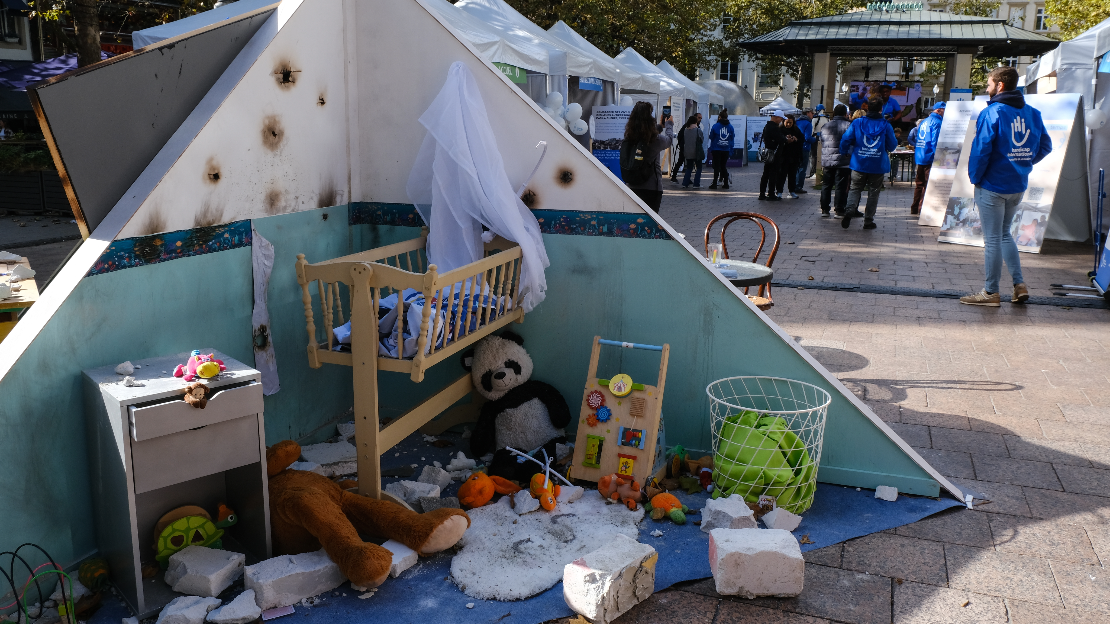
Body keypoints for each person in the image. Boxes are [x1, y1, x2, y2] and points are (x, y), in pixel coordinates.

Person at [960, 66, 1051, 307]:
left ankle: (990, 293)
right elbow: (1045, 147)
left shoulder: (993, 112)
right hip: (1017, 184)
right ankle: (1019, 285)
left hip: (992, 184)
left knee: (992, 240)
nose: (987, 89)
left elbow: (981, 150)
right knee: (1003, 234)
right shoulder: (1033, 112)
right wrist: (1022, 163)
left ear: (1000, 85)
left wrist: (975, 178)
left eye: (989, 84)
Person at [839, 96, 898, 230]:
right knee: (873, 193)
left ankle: (849, 210)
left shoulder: (857, 123)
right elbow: (892, 145)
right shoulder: (886, 125)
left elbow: (845, 139)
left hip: (859, 163)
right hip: (877, 165)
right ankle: (868, 221)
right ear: (880, 109)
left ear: (867, 108)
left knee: (855, 189)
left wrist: (844, 151)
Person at [619, 101, 674, 211]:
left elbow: (645, 132)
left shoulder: (629, 137)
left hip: (631, 185)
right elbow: (669, 140)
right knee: (650, 223)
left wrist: (659, 126)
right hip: (651, 188)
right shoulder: (655, 139)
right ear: (650, 119)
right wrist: (669, 125)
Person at [909, 102, 945, 215]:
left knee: (919, 184)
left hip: (920, 156)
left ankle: (914, 208)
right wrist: (939, 158)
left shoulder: (924, 121)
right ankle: (922, 209)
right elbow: (935, 143)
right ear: (939, 110)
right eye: (944, 110)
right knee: (928, 185)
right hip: (930, 157)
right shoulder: (938, 122)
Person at [817, 104, 852, 217]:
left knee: (826, 184)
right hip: (843, 159)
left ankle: (824, 209)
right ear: (845, 113)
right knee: (841, 186)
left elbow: (821, 140)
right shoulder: (849, 125)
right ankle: (839, 209)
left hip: (828, 159)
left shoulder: (826, 126)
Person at [758, 111, 786, 201]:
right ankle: (771, 193)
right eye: (781, 119)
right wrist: (786, 139)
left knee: (766, 173)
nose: (781, 121)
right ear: (776, 117)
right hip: (775, 153)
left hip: (768, 152)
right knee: (773, 174)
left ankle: (762, 193)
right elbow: (780, 139)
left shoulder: (767, 126)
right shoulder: (774, 127)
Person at [777, 116, 805, 198]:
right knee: (781, 175)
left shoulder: (796, 130)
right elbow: (778, 141)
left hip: (794, 156)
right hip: (783, 156)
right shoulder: (780, 130)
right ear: (783, 121)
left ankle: (792, 191)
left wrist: (796, 139)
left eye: (790, 122)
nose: (788, 124)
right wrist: (785, 140)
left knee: (792, 175)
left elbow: (802, 139)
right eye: (787, 122)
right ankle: (779, 192)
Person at [708, 110, 734, 190]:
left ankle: (715, 183)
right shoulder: (730, 127)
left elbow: (711, 136)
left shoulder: (716, 126)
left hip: (716, 148)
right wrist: (731, 149)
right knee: (723, 166)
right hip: (726, 149)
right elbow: (732, 138)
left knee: (716, 167)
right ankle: (726, 184)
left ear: (720, 117)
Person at [680, 114, 704, 188]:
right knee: (699, 167)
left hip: (687, 151)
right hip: (696, 152)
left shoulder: (685, 130)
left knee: (689, 168)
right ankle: (696, 184)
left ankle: (685, 183)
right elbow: (701, 140)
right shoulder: (698, 130)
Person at [793, 109, 814, 193]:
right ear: (808, 113)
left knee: (796, 167)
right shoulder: (808, 123)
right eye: (812, 113)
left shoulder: (797, 121)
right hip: (804, 147)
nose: (813, 115)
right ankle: (798, 187)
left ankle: (793, 185)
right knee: (802, 168)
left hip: (795, 147)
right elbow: (807, 137)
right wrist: (815, 139)